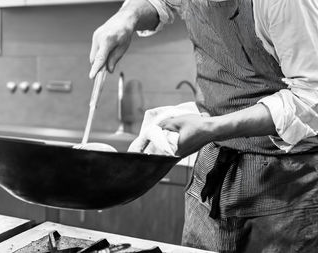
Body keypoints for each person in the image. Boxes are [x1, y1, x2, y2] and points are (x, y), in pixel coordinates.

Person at [89, 0, 318, 252]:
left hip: (286, 185)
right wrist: (127, 17)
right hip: (212, 174)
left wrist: (210, 128)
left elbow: (311, 99)